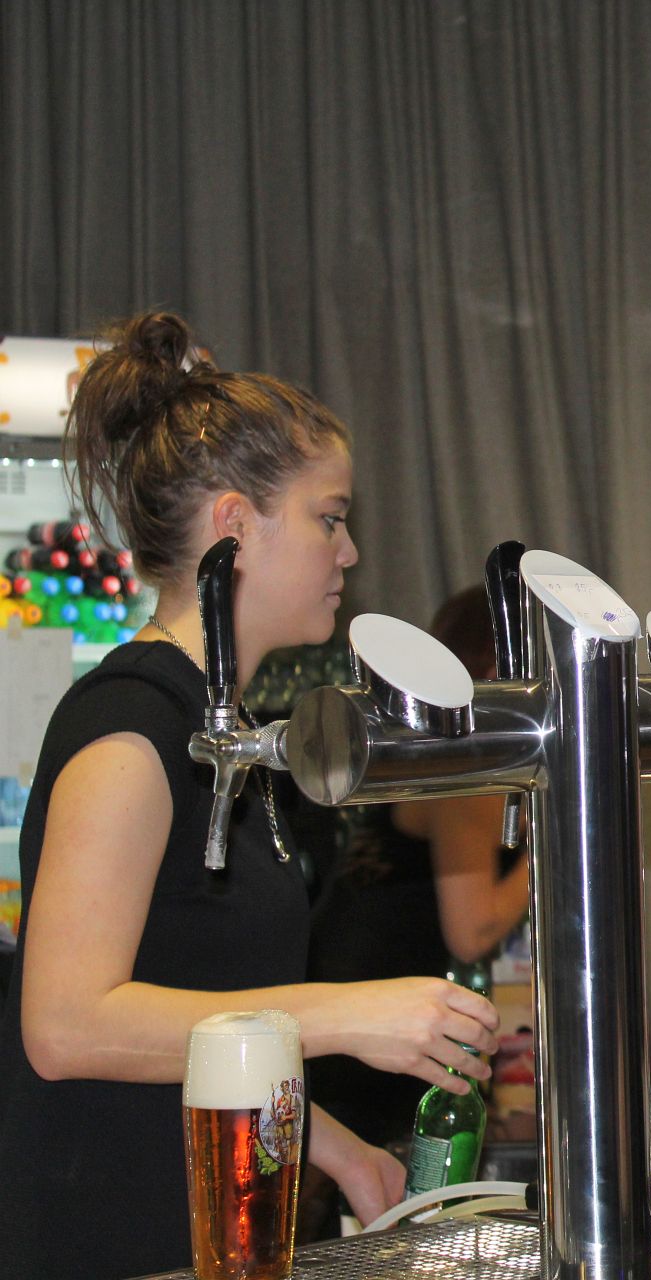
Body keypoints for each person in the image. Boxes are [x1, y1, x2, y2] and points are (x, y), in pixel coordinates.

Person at [0, 312, 500, 1279]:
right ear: (235, 525)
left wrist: (341, 1151)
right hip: (110, 1236)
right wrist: (347, 1015)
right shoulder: (131, 728)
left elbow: (195, 1009)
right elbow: (66, 1026)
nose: (349, 553)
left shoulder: (225, 728)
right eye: (330, 517)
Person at [308, 584, 530, 1147]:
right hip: (367, 1034)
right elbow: (473, 929)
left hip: (356, 1004)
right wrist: (562, 836)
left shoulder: (434, 753)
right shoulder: (460, 775)